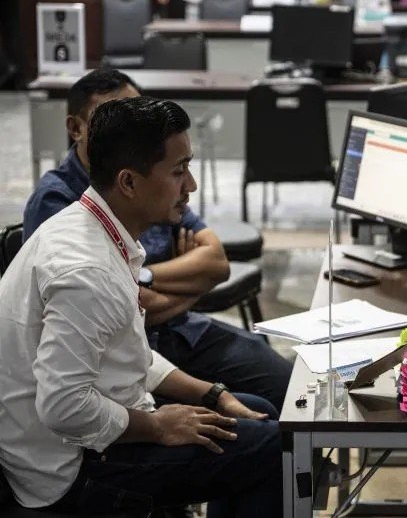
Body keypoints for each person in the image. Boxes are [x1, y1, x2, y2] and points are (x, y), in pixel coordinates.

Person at [0, 96, 282, 515]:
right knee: (273, 446)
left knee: (254, 412)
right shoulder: (87, 270)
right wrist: (157, 426)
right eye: (178, 171)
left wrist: (212, 393)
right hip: (68, 469)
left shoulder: (92, 225)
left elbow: (122, 352)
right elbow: (63, 407)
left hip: (82, 432)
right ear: (129, 182)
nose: (191, 187)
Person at [23, 68, 292, 412]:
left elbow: (215, 262)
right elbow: (131, 310)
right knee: (259, 419)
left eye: (138, 111)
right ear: (76, 128)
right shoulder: (59, 203)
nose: (136, 126)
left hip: (181, 330)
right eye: (114, 115)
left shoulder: (160, 176)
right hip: (125, 358)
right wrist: (190, 285)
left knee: (291, 388)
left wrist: (144, 276)